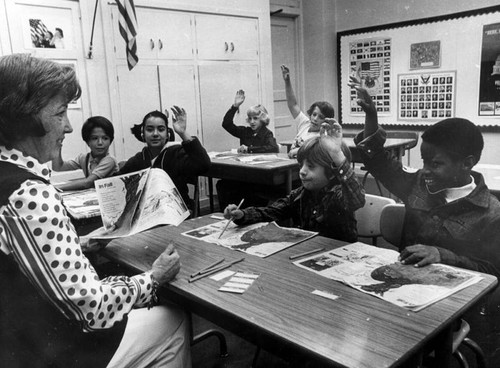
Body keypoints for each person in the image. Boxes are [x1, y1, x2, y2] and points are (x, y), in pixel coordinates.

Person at [0, 53, 191, 368]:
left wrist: (80, 245)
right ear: (25, 117)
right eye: (60, 112)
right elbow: (91, 307)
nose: (69, 126)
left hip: (15, 343)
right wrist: (153, 279)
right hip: (51, 352)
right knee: (171, 319)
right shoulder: (29, 193)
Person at [350, 76, 500, 278]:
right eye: (424, 161)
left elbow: (492, 271)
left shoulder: (491, 213)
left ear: (467, 163)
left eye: (436, 164)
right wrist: (371, 116)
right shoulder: (417, 183)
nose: (425, 170)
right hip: (404, 283)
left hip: (455, 297)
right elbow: (378, 161)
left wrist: (442, 255)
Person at [223, 123, 365, 242]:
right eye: (301, 165)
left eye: (311, 166)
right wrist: (242, 214)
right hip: (309, 253)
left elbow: (357, 199)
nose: (302, 171)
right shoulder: (301, 194)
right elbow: (271, 212)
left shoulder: (338, 194)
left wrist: (336, 155)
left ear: (331, 172)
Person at [119, 109, 210, 213]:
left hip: (177, 212)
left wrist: (183, 133)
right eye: (149, 129)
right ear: (143, 134)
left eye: (161, 129)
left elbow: (204, 164)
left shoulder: (176, 153)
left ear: (167, 134)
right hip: (147, 213)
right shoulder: (140, 158)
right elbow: (116, 179)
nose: (155, 134)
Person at [216, 90, 280, 210]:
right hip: (245, 173)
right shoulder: (245, 131)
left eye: (255, 118)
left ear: (263, 119)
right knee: (223, 184)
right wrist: (235, 107)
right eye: (250, 118)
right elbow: (227, 124)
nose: (252, 122)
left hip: (259, 175)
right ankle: (226, 212)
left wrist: (249, 149)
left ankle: (244, 211)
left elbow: (273, 147)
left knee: (245, 189)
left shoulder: (267, 133)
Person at [281, 64, 337, 158]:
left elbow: (315, 150)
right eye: (314, 114)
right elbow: (292, 104)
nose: (315, 119)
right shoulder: (305, 123)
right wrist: (287, 81)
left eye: (321, 117)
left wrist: (298, 150)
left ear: (327, 121)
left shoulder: (324, 135)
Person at [52, 116, 119, 191]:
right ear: (87, 141)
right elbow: (58, 167)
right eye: (95, 138)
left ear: (110, 141)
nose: (100, 143)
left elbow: (88, 182)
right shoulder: (84, 158)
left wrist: (56, 188)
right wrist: (57, 145)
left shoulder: (109, 160)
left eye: (105, 138)